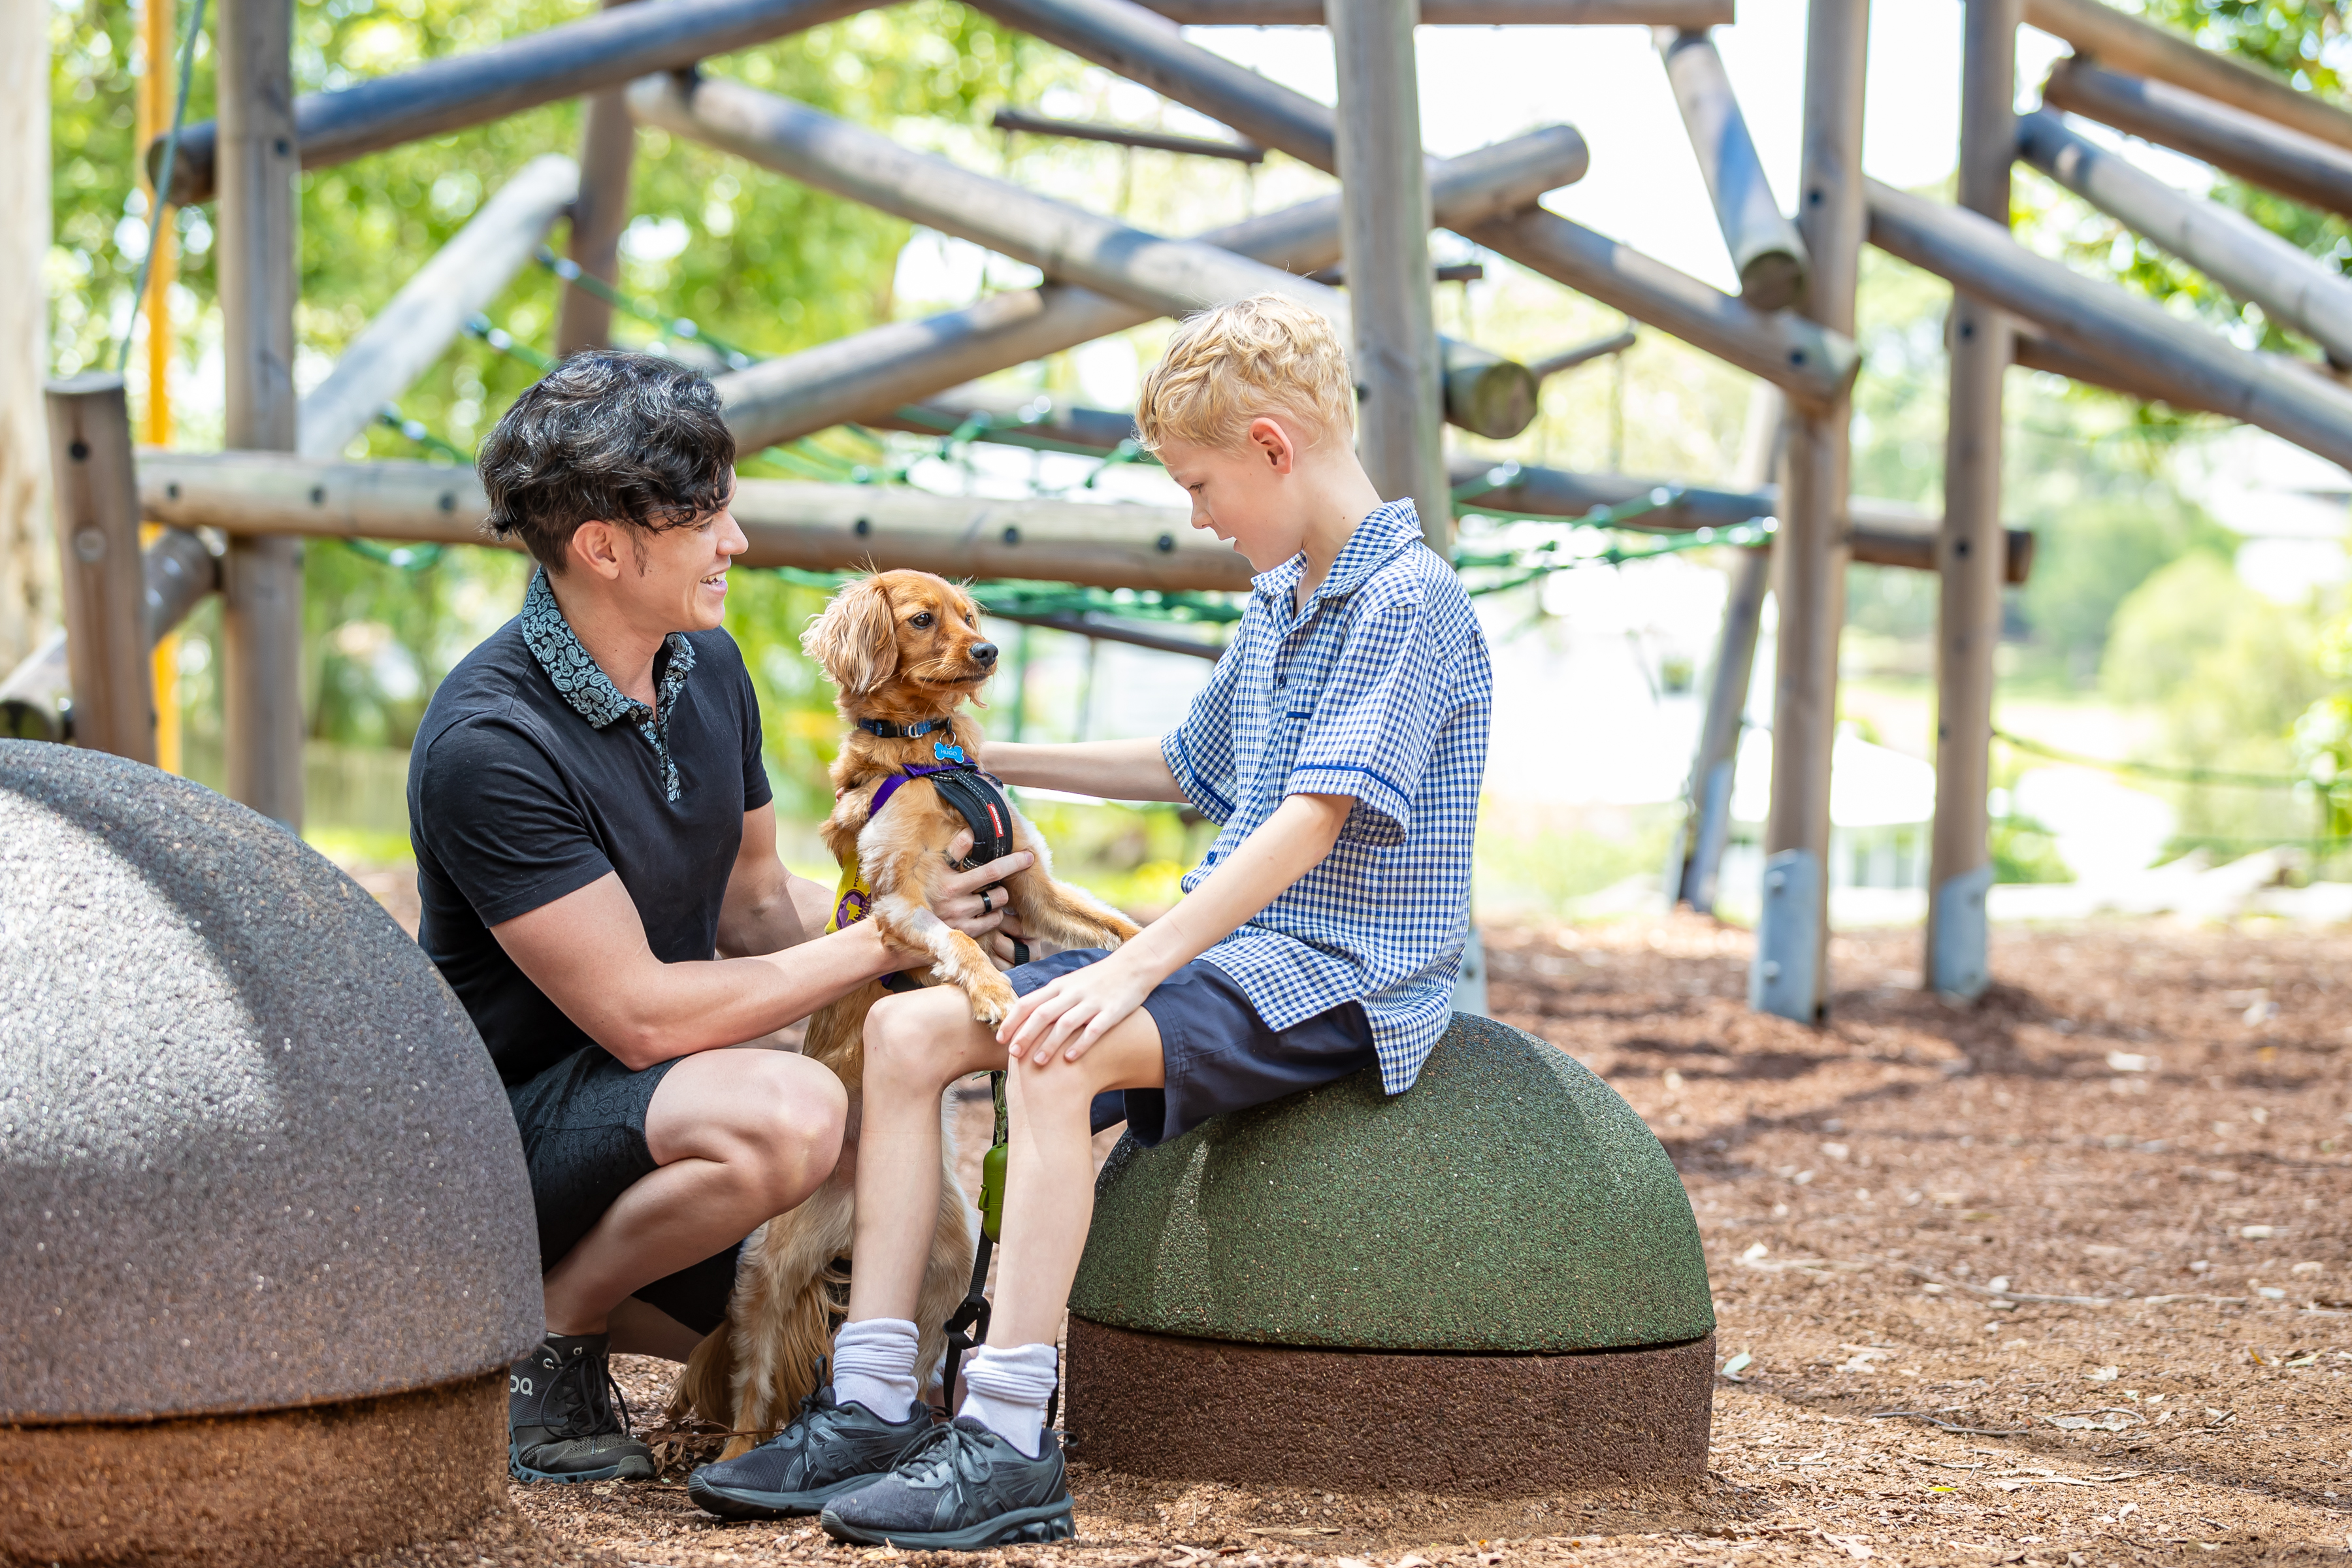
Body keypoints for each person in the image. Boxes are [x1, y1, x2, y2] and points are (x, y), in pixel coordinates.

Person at [685, 295, 1494, 1548]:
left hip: (1338, 972)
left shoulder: (1407, 603)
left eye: (1202, 482)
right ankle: (875, 1397)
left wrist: (1134, 968)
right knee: (905, 1043)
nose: (1199, 515)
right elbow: (1188, 761)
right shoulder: (1287, 595)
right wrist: (965, 753)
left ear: (1275, 449)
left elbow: (1310, 822)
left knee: (1052, 1041)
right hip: (1236, 951)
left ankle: (1008, 1434)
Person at [406, 352, 1032, 1485]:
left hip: (656, 1117)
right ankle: (542, 1334)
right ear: (604, 545)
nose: (736, 544)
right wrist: (892, 930)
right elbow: (643, 1017)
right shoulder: (487, 746)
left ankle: (615, 1325)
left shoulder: (706, 666)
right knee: (793, 1113)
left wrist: (937, 936)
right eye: (706, 521)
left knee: (870, 1223)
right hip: (513, 1135)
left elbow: (754, 907)